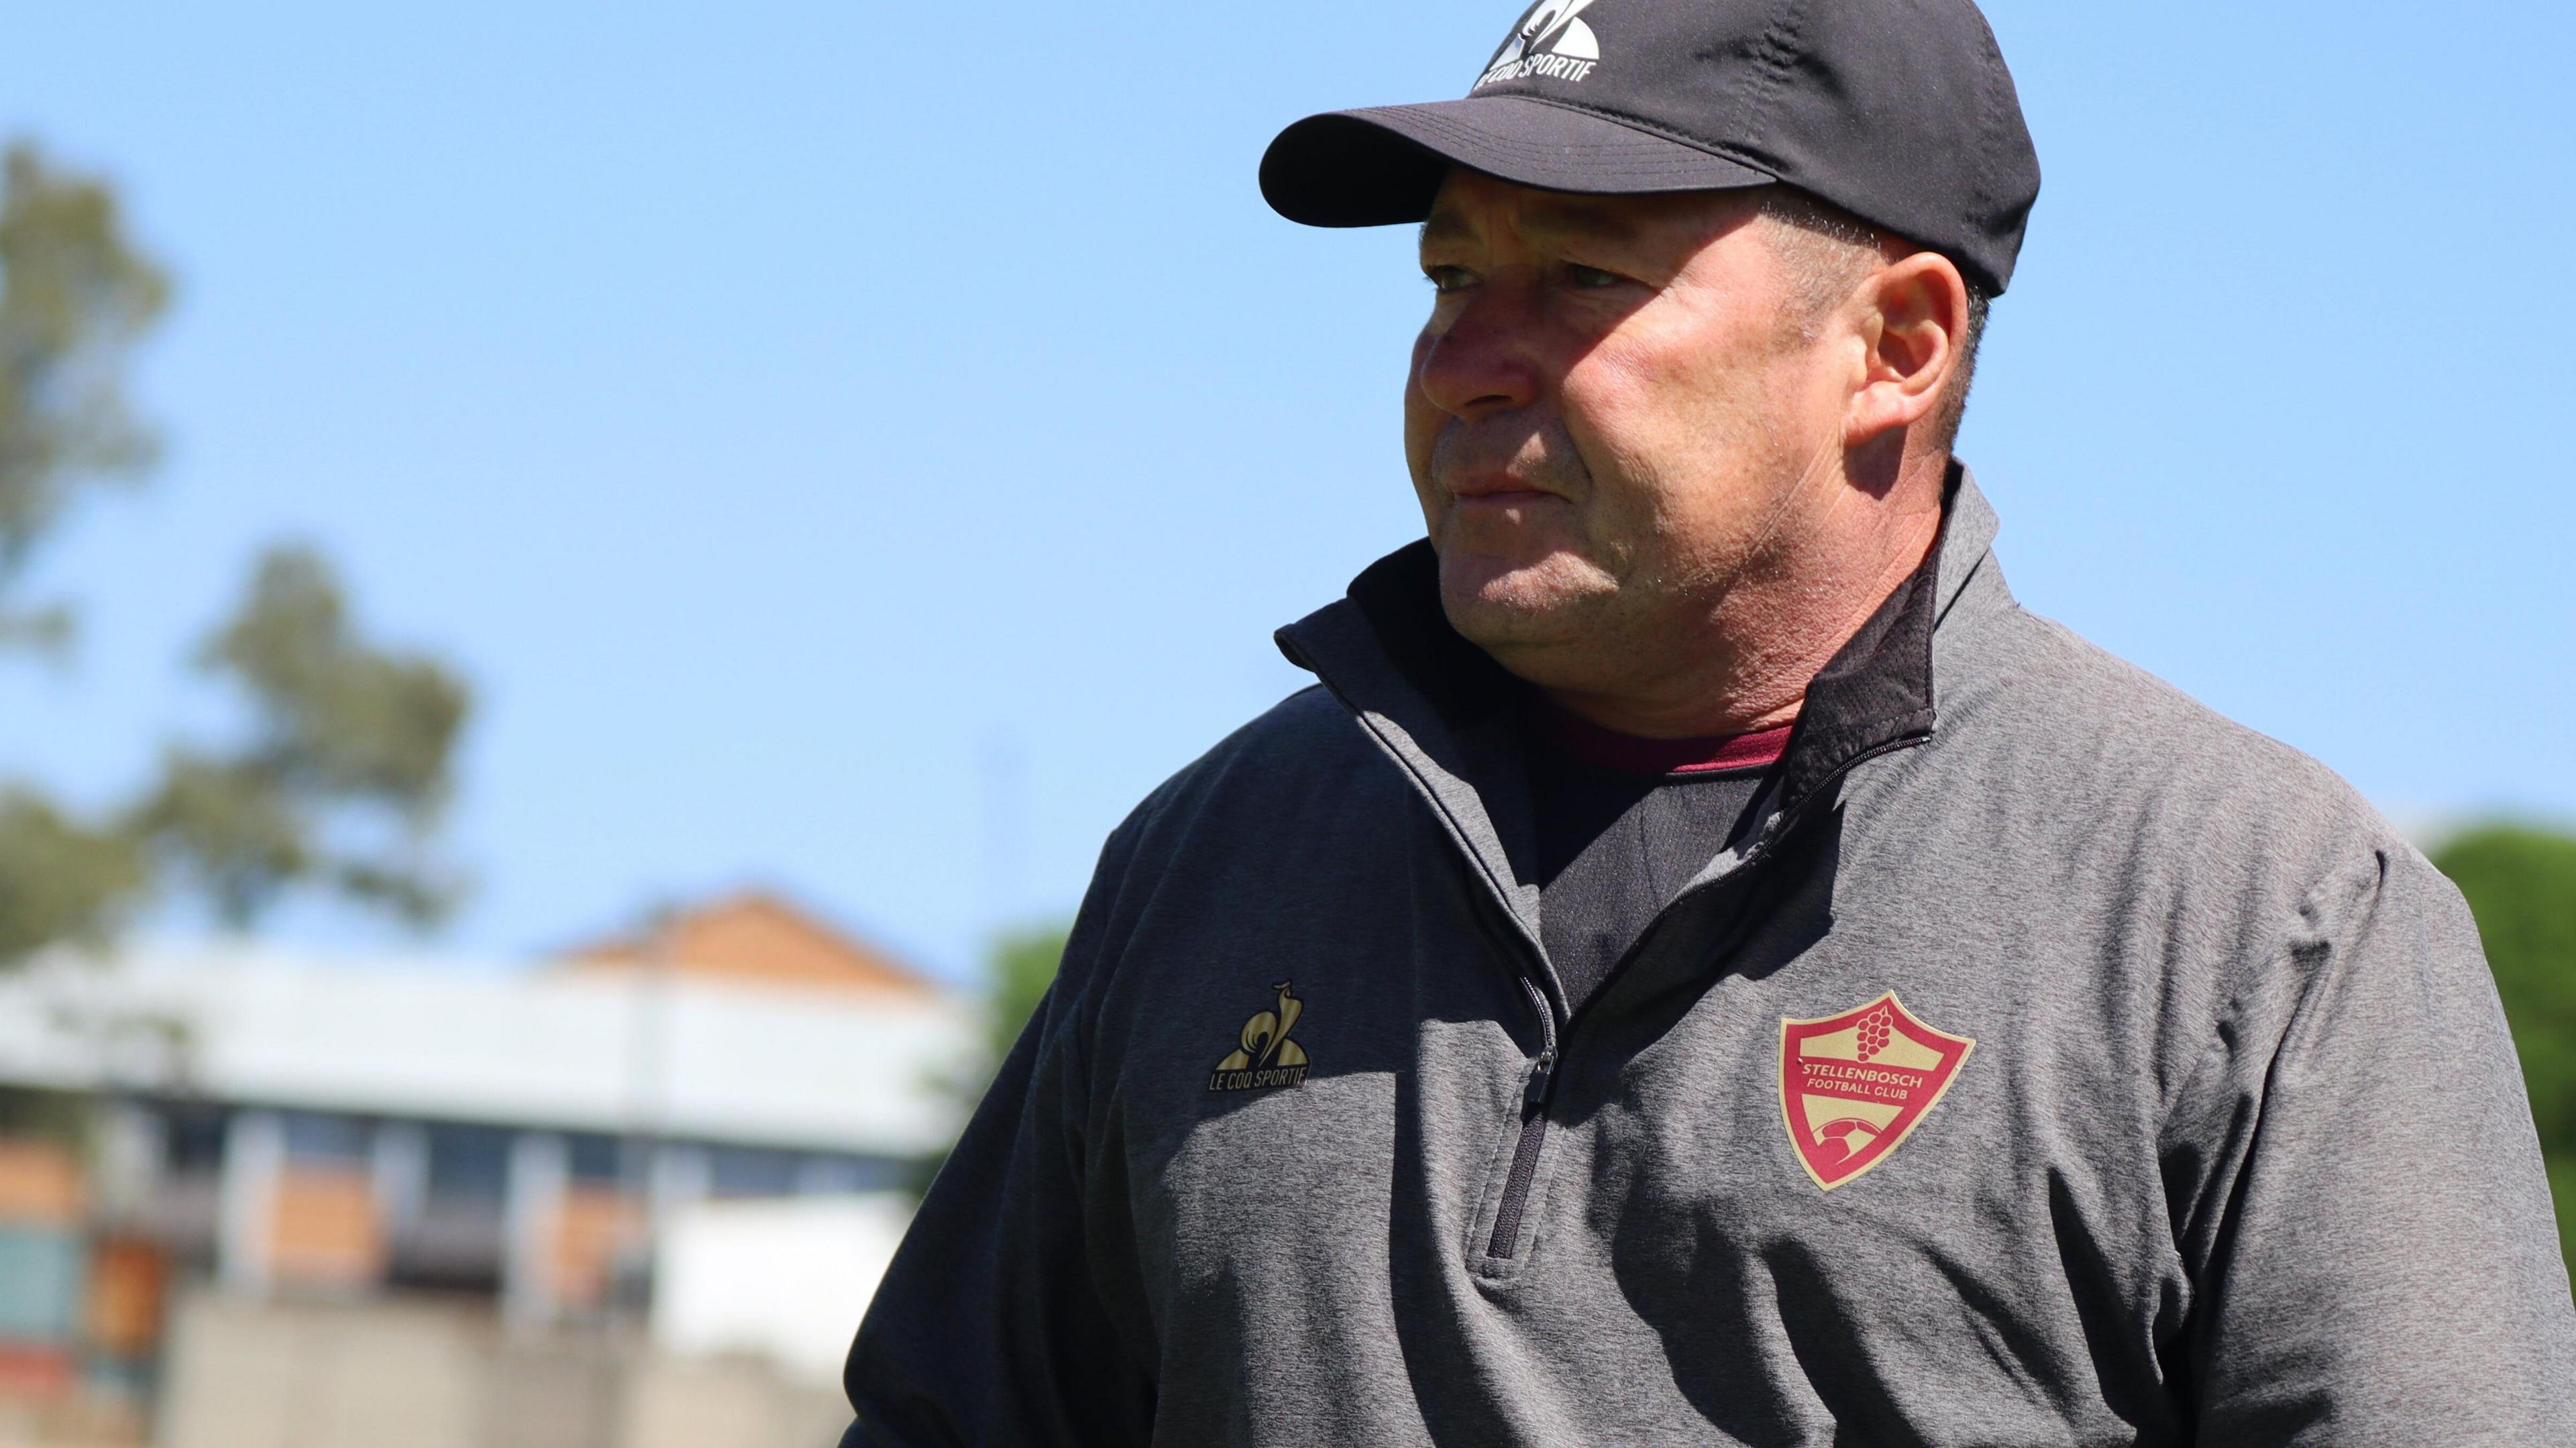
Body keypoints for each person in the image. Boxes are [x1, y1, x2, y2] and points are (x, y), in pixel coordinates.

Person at [840, 1, 2576, 1442]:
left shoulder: (2256, 917)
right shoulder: (1208, 864)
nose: (1467, 359)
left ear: (1895, 346)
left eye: (1583, 277)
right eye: (1449, 275)